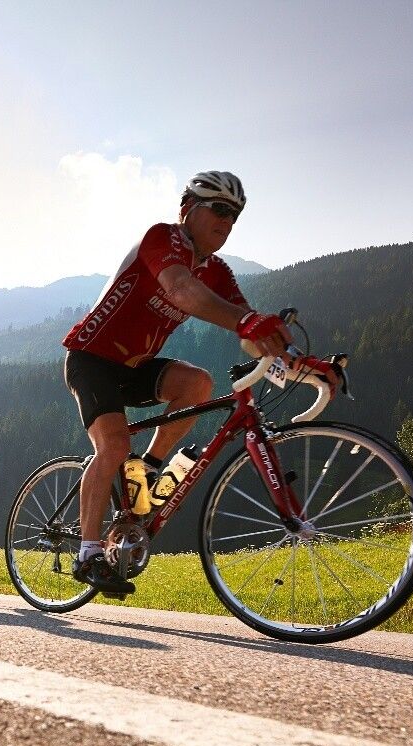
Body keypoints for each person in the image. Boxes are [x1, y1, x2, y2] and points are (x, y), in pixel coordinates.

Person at [61, 170, 339, 595]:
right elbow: (180, 290)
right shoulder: (162, 238)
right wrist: (247, 321)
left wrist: (302, 366)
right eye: (219, 209)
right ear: (187, 209)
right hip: (92, 358)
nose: (227, 221)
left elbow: (251, 336)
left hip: (135, 367)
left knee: (198, 384)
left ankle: (148, 469)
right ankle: (88, 553)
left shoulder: (218, 271)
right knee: (113, 446)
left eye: (235, 216)